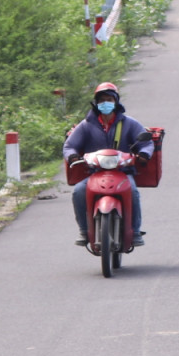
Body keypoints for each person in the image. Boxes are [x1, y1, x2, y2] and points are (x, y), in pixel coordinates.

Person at [62, 82, 155, 246]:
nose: (106, 103)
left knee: (133, 192)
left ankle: (135, 231)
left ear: (116, 101)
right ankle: (84, 230)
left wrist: (143, 154)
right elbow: (70, 145)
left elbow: (146, 142)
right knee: (78, 192)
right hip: (95, 173)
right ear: (96, 103)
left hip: (123, 172)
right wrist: (73, 156)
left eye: (110, 99)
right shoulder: (86, 125)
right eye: (102, 100)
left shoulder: (129, 123)